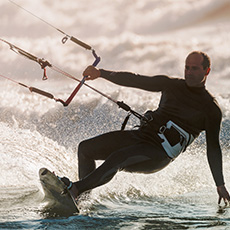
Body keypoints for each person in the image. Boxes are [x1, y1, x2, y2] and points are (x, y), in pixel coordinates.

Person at [61, 51, 230, 205]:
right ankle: (80, 200)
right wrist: (101, 73)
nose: (189, 72)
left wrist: (220, 184)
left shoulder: (210, 109)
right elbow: (136, 79)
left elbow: (213, 148)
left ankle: (75, 189)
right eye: (186, 68)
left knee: (118, 157)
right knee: (85, 148)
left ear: (207, 71)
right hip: (141, 137)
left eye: (194, 68)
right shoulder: (171, 85)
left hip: (159, 153)